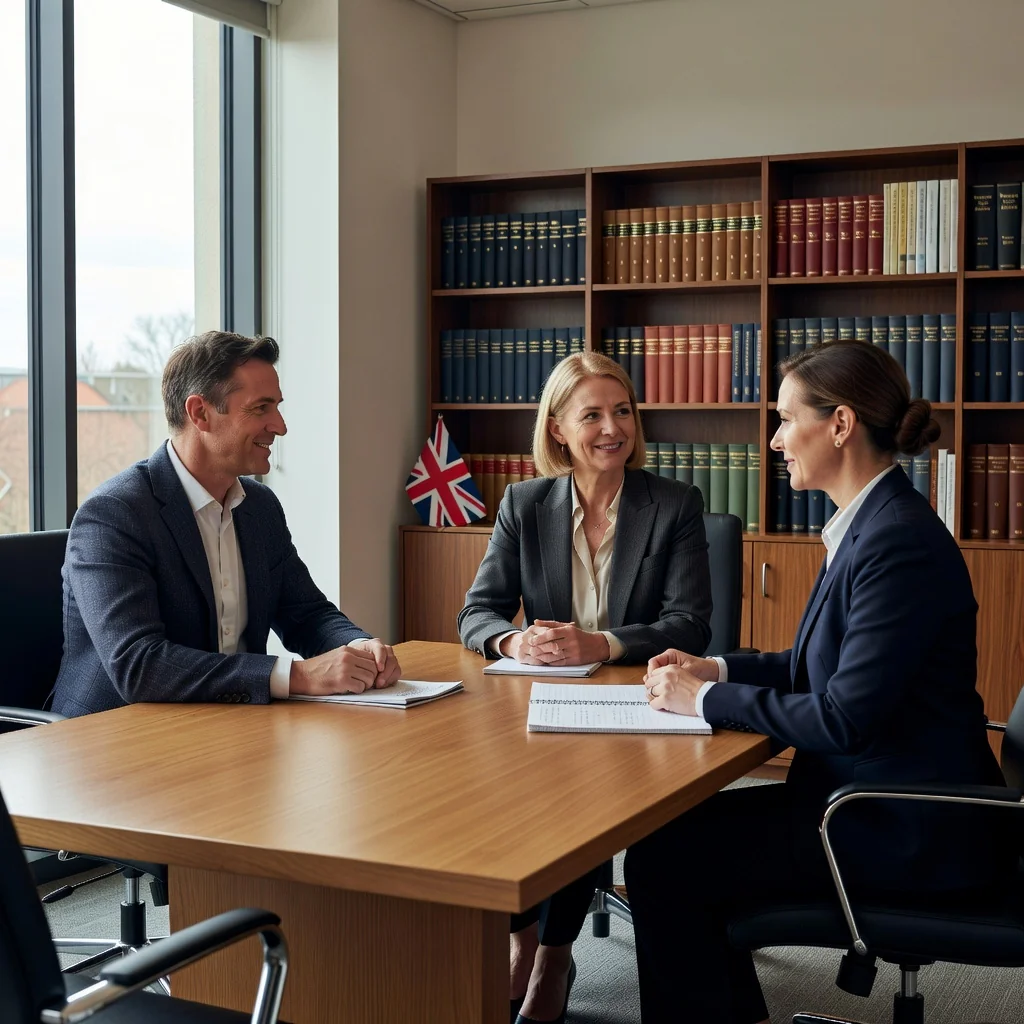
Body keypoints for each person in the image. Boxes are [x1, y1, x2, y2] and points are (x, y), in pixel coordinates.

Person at [626, 340, 1011, 1024]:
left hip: (897, 825)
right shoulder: (872, 524)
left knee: (665, 863)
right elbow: (816, 667)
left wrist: (706, 700)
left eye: (785, 419)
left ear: (840, 425)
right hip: (871, 802)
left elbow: (842, 718)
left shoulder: (896, 541)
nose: (775, 441)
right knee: (672, 839)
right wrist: (711, 668)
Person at [458, 351, 713, 1024]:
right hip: (541, 700)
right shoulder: (524, 503)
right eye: (592, 414)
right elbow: (476, 612)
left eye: (622, 411)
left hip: (641, 705)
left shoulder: (675, 505)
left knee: (575, 798)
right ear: (558, 432)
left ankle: (553, 957)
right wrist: (514, 641)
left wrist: (599, 644)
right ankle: (523, 939)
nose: (612, 428)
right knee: (492, 792)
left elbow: (691, 624)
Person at [51, 331, 400, 717]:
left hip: (231, 729)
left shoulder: (260, 506)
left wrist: (361, 649)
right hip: (115, 745)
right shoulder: (115, 514)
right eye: (261, 408)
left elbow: (307, 614)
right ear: (199, 413)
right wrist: (297, 675)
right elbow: (140, 665)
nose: (280, 426)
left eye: (277, 407)